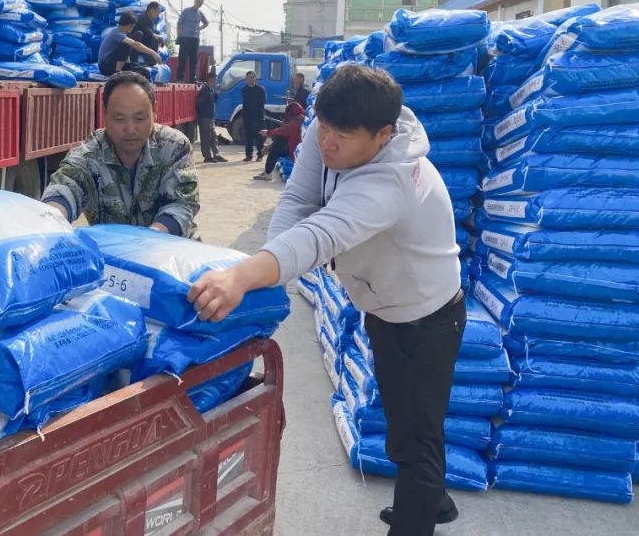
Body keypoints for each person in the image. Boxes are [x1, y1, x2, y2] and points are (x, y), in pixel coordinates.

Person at [187, 66, 464, 536]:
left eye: (343, 135)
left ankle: (419, 516)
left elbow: (320, 235)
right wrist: (269, 274)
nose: (328, 143)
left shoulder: (391, 182)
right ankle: (431, 500)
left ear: (383, 134)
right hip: (384, 303)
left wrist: (242, 276)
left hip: (426, 315)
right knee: (405, 416)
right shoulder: (329, 128)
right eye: (325, 128)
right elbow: (298, 201)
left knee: (416, 435)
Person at [42, 71, 200, 238]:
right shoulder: (91, 154)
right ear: (105, 114)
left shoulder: (174, 146)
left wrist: (151, 237)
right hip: (114, 251)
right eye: (119, 119)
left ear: (154, 111)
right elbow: (66, 186)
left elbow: (182, 204)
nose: (130, 129)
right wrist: (51, 217)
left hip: (172, 246)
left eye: (140, 118)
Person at [98, 11, 161, 78]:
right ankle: (117, 74)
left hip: (114, 65)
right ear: (129, 25)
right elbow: (135, 44)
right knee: (126, 44)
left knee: (144, 72)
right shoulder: (116, 33)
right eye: (133, 26)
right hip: (106, 66)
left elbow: (124, 56)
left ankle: (121, 72)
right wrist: (153, 53)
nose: (133, 28)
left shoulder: (122, 34)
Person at [253, 101, 305, 181]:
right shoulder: (301, 118)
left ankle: (267, 173)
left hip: (295, 151)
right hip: (297, 148)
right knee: (277, 142)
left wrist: (268, 133)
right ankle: (267, 171)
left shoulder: (296, 122)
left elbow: (283, 130)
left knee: (275, 148)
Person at [175, 0, 209, 82]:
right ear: (195, 1)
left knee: (193, 60)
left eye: (200, 3)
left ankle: (192, 79)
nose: (199, 3)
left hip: (195, 38)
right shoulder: (186, 11)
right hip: (185, 37)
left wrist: (199, 28)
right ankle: (179, 78)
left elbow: (206, 23)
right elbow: (179, 24)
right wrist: (179, 36)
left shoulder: (200, 13)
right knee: (182, 59)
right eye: (198, 1)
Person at [195, 72, 226, 164]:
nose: (216, 81)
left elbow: (213, 100)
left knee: (213, 136)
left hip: (210, 117)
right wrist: (202, 115)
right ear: (210, 79)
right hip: (205, 117)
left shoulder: (210, 90)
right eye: (215, 79)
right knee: (205, 137)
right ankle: (207, 156)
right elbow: (199, 103)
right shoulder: (205, 90)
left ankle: (216, 154)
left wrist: (217, 93)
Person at [240, 71, 266, 162]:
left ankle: (260, 155)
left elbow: (262, 103)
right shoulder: (244, 89)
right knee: (248, 137)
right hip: (247, 117)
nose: (251, 79)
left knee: (259, 137)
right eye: (249, 77)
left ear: (255, 78)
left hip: (258, 116)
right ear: (246, 79)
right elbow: (245, 103)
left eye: (252, 77)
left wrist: (261, 115)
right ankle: (248, 155)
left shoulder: (260, 89)